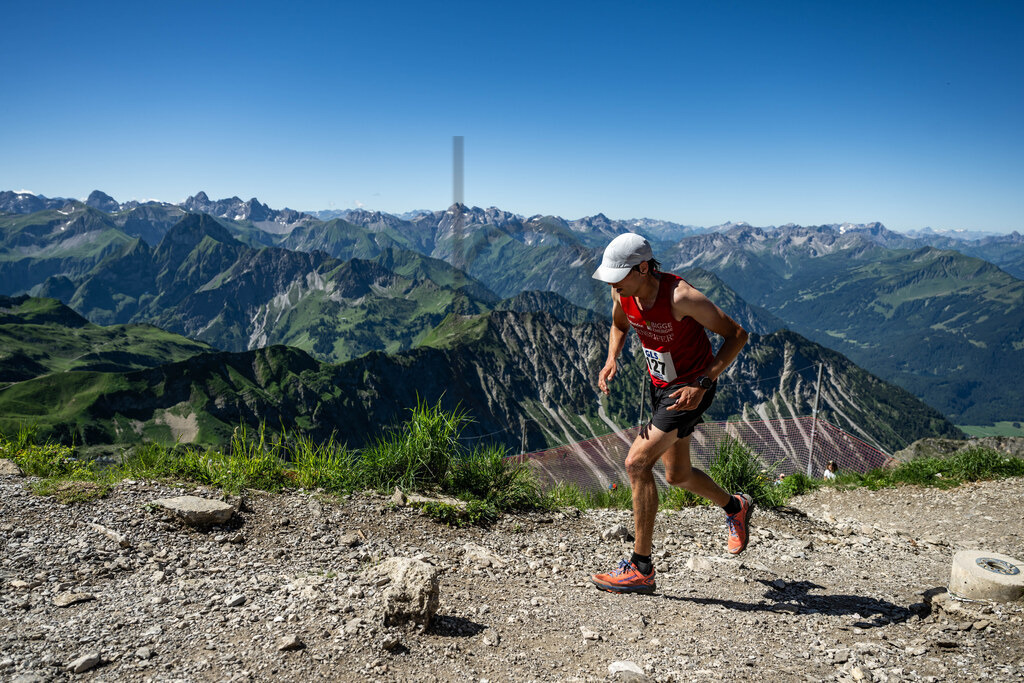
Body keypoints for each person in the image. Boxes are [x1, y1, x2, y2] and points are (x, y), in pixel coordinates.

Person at [589, 232, 752, 595]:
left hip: (689, 391)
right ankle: (735, 506)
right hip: (660, 387)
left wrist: (704, 382)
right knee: (677, 475)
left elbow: (737, 335)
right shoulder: (622, 291)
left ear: (644, 268)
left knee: (636, 463)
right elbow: (619, 324)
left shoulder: (681, 296)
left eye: (619, 274)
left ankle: (640, 567)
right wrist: (611, 358)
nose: (613, 282)